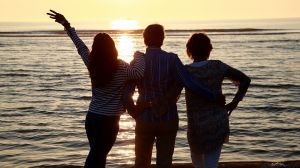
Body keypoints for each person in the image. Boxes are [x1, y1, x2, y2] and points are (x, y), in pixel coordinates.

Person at [46, 10, 145, 168]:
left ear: (96, 48)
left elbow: (80, 46)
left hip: (92, 117)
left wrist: (67, 24)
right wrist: (139, 55)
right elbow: (139, 73)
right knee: (97, 156)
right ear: (113, 48)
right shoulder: (120, 66)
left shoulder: (92, 63)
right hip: (109, 120)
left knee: (98, 156)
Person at [127, 24, 223, 168]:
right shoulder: (172, 59)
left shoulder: (138, 61)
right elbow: (189, 82)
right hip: (168, 117)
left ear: (145, 39)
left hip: (144, 117)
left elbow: (126, 91)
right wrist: (212, 95)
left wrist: (133, 111)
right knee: (164, 163)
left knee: (141, 162)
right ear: (162, 39)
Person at [184, 33, 251, 168]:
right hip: (217, 122)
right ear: (209, 49)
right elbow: (245, 80)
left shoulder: (185, 71)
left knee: (198, 164)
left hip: (195, 126)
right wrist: (234, 102)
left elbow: (171, 92)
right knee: (211, 164)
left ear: (189, 50)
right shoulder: (217, 66)